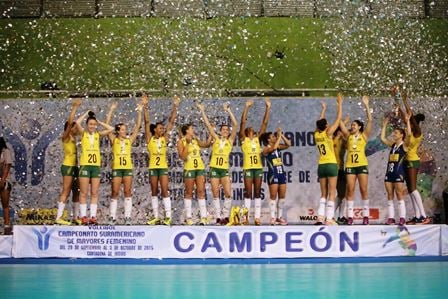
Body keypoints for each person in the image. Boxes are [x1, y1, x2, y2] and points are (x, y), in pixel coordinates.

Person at [197, 102, 238, 225]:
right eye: (223, 129)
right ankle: (218, 216)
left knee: (228, 193)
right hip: (214, 168)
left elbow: (235, 125)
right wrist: (202, 110)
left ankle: (225, 215)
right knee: (215, 193)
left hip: (224, 170)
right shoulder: (216, 138)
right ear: (220, 131)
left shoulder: (230, 141)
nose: (225, 131)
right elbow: (208, 125)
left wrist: (228, 110)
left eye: (227, 130)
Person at [105, 100, 143, 225]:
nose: (125, 131)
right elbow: (107, 124)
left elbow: (137, 126)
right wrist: (111, 109)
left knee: (127, 192)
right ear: (118, 131)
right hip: (117, 168)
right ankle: (112, 217)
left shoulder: (128, 140)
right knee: (115, 192)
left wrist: (139, 111)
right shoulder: (113, 140)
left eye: (125, 129)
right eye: (122, 129)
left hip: (127, 169)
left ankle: (127, 217)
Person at [145, 95, 179, 225]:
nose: (163, 129)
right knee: (154, 191)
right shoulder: (150, 139)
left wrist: (175, 105)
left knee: (165, 190)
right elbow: (146, 122)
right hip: (153, 167)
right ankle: (156, 216)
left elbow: (171, 122)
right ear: (155, 130)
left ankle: (168, 217)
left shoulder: (164, 138)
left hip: (163, 168)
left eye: (163, 128)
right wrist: (145, 106)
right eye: (160, 128)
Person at [75, 110, 114, 225]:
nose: (92, 126)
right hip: (85, 166)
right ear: (87, 125)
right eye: (90, 124)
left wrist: (100, 122)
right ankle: (83, 216)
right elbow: (77, 122)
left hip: (96, 166)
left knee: (95, 192)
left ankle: (93, 216)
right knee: (83, 192)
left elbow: (111, 129)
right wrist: (86, 113)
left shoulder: (98, 135)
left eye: (94, 124)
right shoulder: (83, 133)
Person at [339, 95, 372, 225]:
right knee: (350, 190)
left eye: (354, 125)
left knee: (364, 190)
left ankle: (365, 216)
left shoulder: (364, 136)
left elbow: (369, 121)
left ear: (359, 127)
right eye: (351, 125)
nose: (352, 127)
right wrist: (340, 104)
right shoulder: (348, 136)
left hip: (362, 165)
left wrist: (366, 105)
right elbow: (340, 123)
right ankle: (350, 216)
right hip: (350, 166)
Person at [400, 90, 431, 224]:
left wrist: (405, 100)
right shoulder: (409, 130)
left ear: (415, 123)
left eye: (411, 122)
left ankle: (424, 216)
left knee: (413, 189)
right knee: (411, 189)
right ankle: (417, 216)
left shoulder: (417, 132)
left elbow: (409, 116)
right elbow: (405, 116)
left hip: (413, 161)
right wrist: (397, 100)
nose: (408, 123)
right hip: (407, 162)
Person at [239, 98, 271, 225]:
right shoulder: (244, 140)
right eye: (249, 128)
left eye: (252, 128)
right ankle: (245, 217)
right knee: (248, 192)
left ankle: (257, 217)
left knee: (258, 192)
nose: (251, 128)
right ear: (247, 132)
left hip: (258, 168)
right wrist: (246, 107)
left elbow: (264, 123)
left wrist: (268, 108)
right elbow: (242, 123)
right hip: (248, 168)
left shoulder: (257, 139)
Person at [314, 95, 343, 225]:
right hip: (331, 165)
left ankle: (320, 217)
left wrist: (323, 109)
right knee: (332, 193)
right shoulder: (328, 133)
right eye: (327, 123)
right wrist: (339, 104)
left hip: (321, 166)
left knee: (323, 194)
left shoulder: (317, 134)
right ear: (326, 126)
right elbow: (338, 119)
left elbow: (319, 122)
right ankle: (329, 218)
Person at [177, 123, 212, 225]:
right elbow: (182, 157)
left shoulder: (195, 140)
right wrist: (187, 144)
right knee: (189, 192)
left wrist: (211, 134)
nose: (193, 130)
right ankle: (188, 217)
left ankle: (204, 217)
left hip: (199, 168)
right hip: (189, 169)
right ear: (187, 131)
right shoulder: (181, 142)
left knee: (201, 191)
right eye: (192, 128)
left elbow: (206, 145)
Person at [55, 98, 82, 225]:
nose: (77, 129)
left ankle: (75, 217)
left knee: (76, 192)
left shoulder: (73, 137)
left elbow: (76, 123)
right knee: (66, 191)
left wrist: (85, 113)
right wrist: (75, 107)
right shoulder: (65, 137)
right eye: (74, 127)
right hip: (67, 166)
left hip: (75, 167)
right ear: (69, 128)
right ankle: (59, 217)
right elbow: (71, 121)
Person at [380, 116, 410, 225]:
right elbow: (383, 139)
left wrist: (407, 123)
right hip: (389, 173)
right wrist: (384, 126)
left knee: (399, 194)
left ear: (401, 135)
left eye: (396, 133)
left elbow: (410, 136)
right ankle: (391, 218)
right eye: (394, 133)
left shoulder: (404, 146)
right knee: (389, 195)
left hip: (399, 173)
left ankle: (402, 218)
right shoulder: (392, 145)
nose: (394, 134)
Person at [260, 127, 291, 225]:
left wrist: (281, 135)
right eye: (273, 136)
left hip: (281, 173)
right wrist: (278, 138)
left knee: (282, 196)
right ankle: (272, 217)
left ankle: (279, 217)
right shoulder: (266, 149)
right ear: (268, 139)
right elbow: (272, 148)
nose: (274, 137)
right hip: (273, 174)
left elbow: (288, 145)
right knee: (273, 196)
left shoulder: (277, 147)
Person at [0, 137, 13, 235]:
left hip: (4, 180)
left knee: (5, 204)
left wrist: (3, 180)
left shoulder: (5, 152)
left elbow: (7, 166)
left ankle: (7, 226)